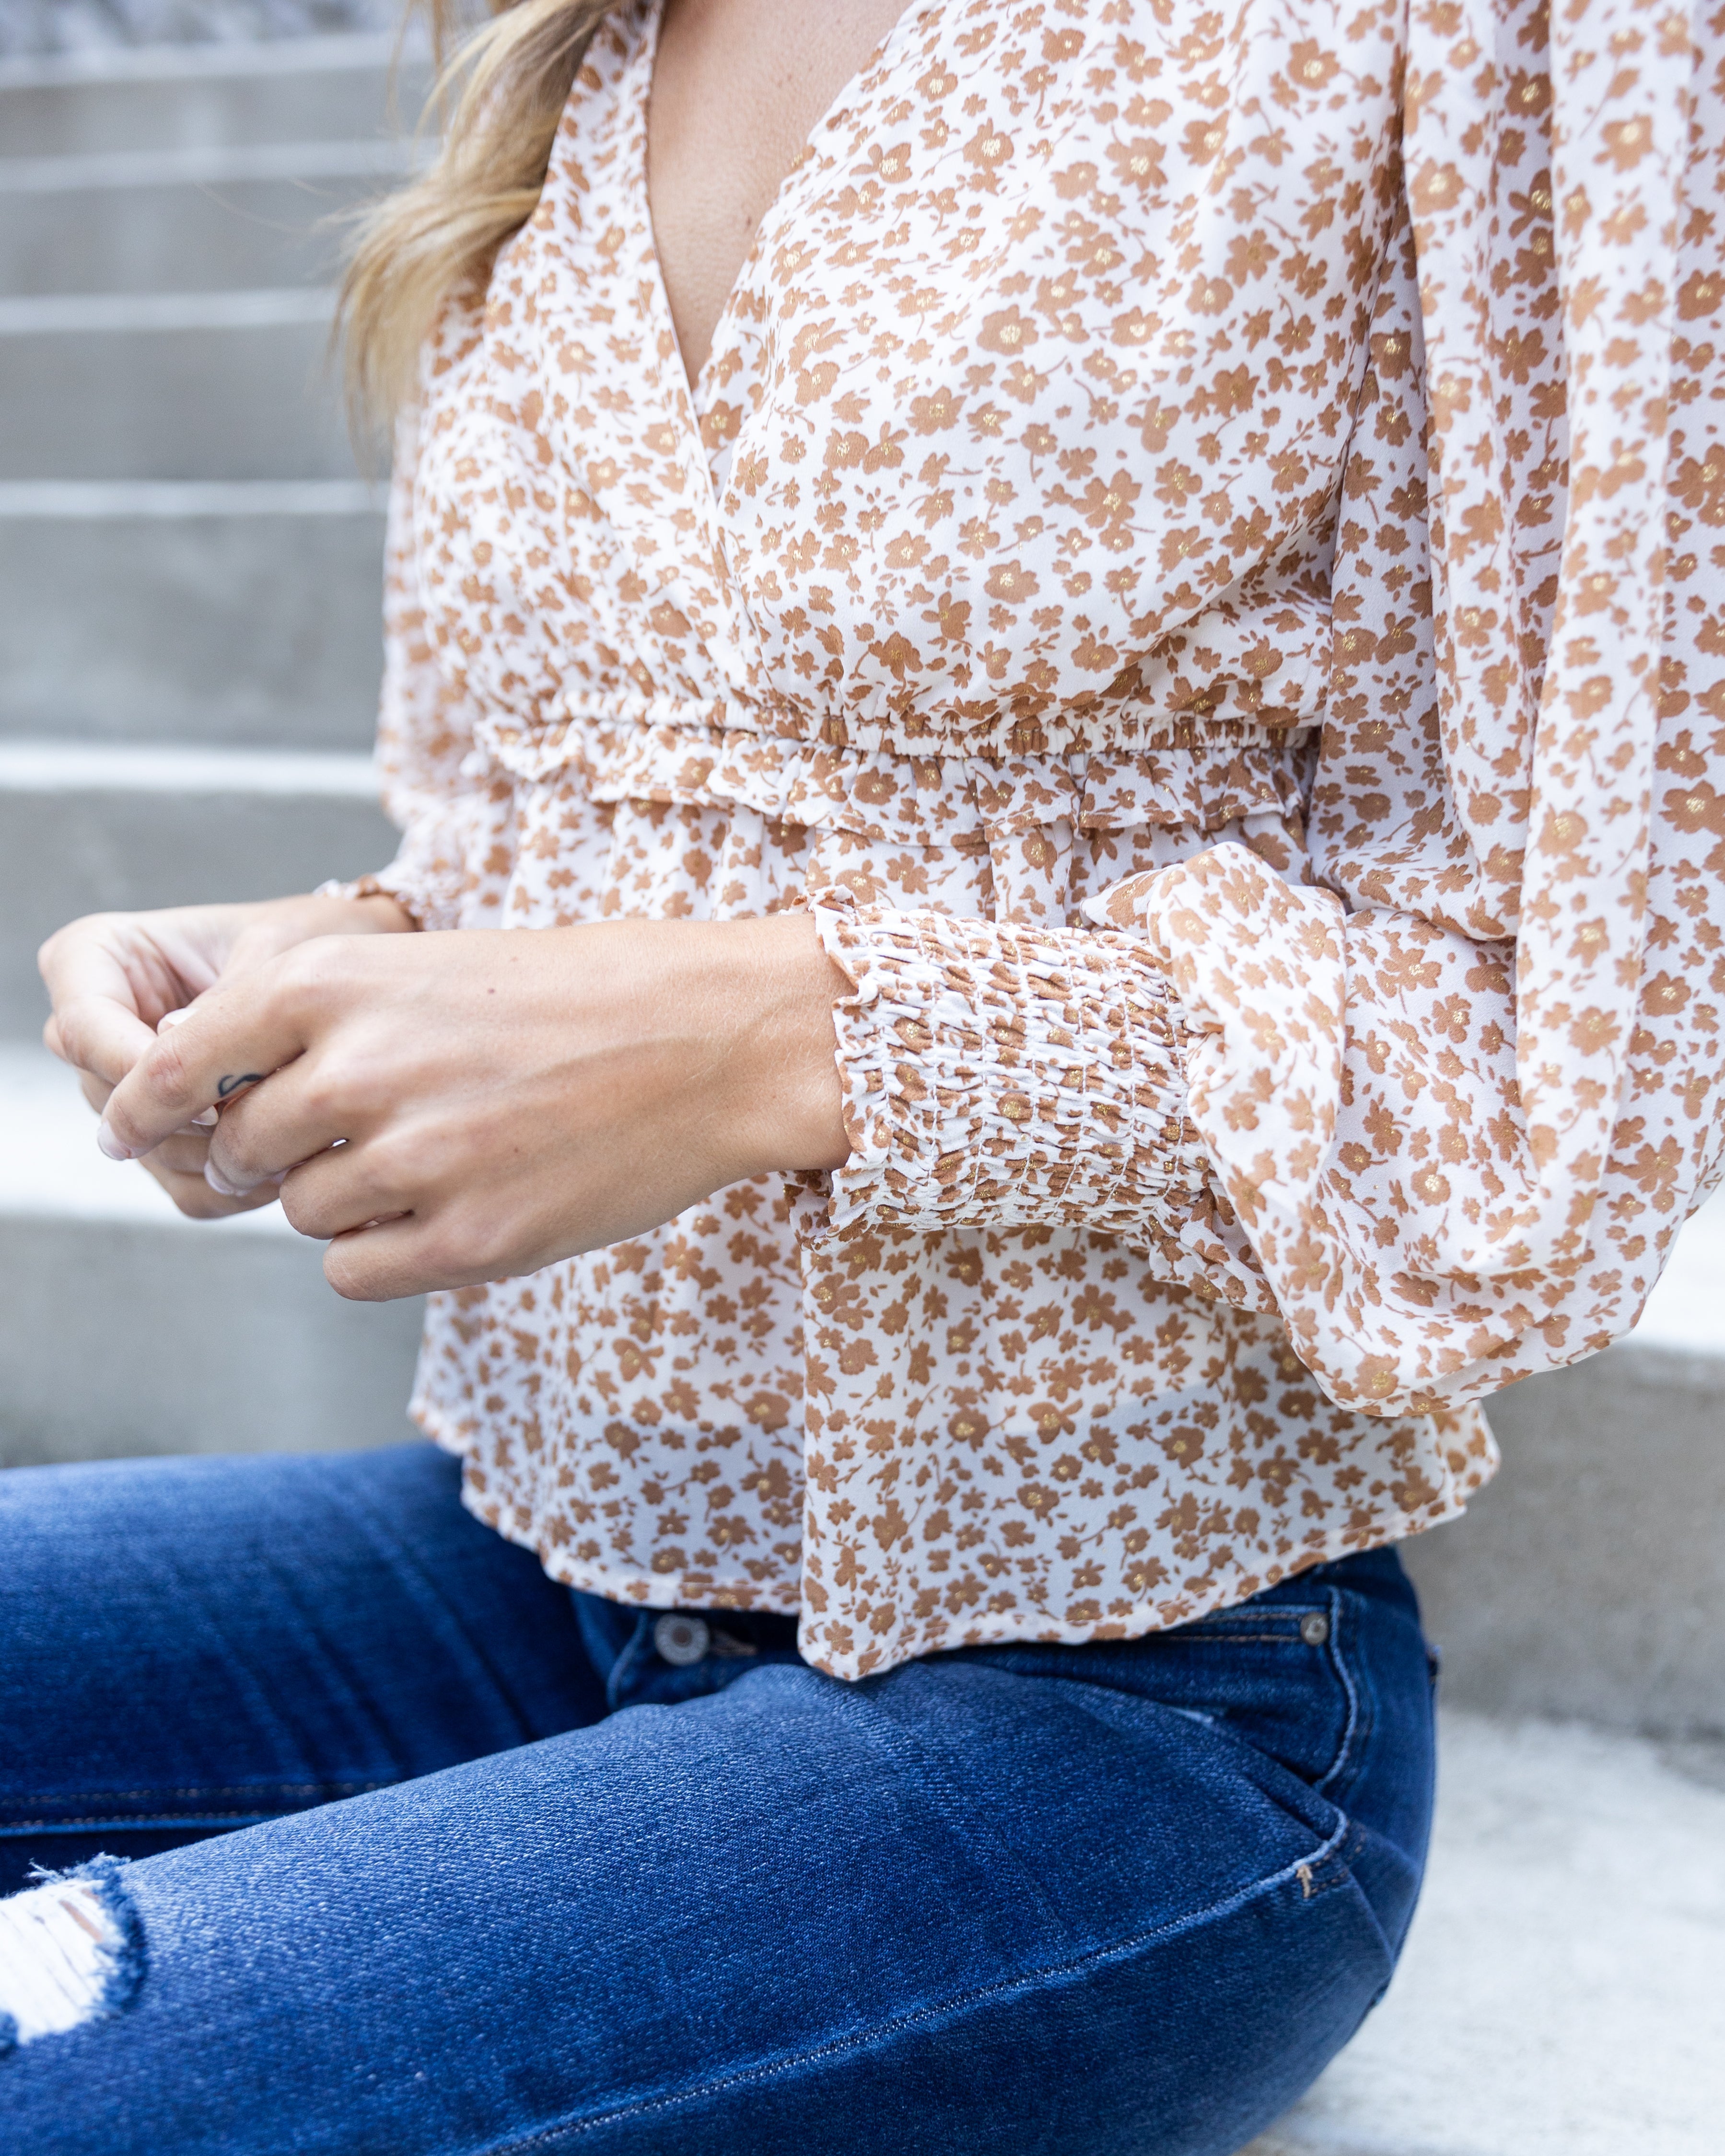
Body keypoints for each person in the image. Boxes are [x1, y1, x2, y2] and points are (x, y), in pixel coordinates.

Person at [4, 0, 1720, 2147]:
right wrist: (355, 956)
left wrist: (800, 1038)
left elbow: (1561, 1089)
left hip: (1129, 1691)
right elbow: (561, 812)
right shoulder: (580, 37)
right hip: (548, 1558)